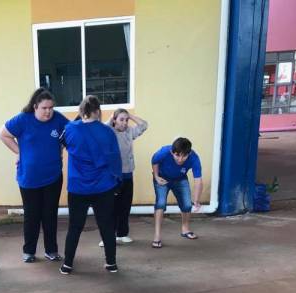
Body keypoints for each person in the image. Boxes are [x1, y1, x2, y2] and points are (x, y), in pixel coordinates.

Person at [0, 88, 69, 263]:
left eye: (51, 108)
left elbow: (71, 134)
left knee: (50, 215)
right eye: (44, 108)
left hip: (53, 176)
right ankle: (29, 251)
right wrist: (19, 152)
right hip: (29, 178)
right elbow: (3, 134)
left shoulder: (58, 119)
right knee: (32, 215)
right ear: (35, 106)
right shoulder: (23, 119)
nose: (48, 111)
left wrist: (61, 146)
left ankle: (51, 250)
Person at [60, 95, 122, 275]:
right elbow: (115, 159)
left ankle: (67, 265)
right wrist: (117, 182)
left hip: (78, 187)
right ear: (98, 111)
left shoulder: (70, 129)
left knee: (74, 227)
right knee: (106, 226)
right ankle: (111, 263)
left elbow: (62, 142)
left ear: (81, 111)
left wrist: (78, 120)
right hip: (103, 186)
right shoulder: (107, 132)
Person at [103, 109, 148, 245]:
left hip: (128, 175)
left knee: (125, 206)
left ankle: (122, 234)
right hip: (114, 177)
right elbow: (102, 129)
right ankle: (108, 237)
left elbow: (144, 125)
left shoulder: (129, 132)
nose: (124, 123)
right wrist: (111, 118)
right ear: (114, 120)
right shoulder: (110, 132)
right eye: (121, 119)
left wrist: (130, 116)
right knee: (111, 208)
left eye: (126, 120)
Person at [151, 137, 203, 248]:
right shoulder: (164, 151)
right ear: (172, 152)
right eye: (177, 155)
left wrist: (197, 200)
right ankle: (157, 235)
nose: (180, 159)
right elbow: (154, 160)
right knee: (160, 204)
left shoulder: (194, 157)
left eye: (184, 156)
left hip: (180, 179)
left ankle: (185, 229)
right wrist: (156, 176)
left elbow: (198, 180)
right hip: (162, 178)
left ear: (189, 153)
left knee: (187, 204)